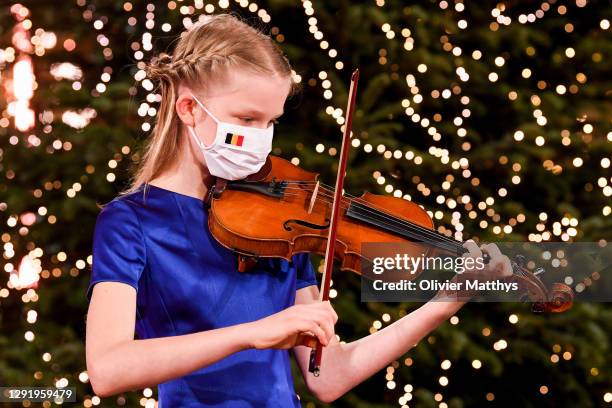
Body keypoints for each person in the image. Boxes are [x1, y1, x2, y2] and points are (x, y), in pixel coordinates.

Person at [85, 13, 512, 407]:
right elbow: (107, 369)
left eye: (271, 122)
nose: (261, 137)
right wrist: (253, 334)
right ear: (189, 109)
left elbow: (327, 376)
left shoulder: (278, 218)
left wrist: (445, 301)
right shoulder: (131, 221)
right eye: (247, 119)